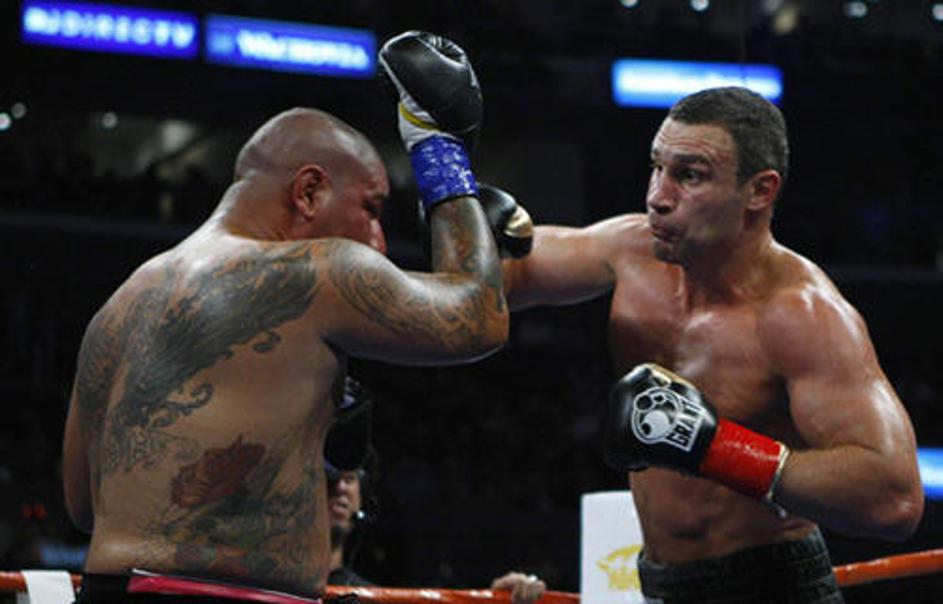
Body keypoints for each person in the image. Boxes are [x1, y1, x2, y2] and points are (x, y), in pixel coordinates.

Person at [62, 31, 509, 603]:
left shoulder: (121, 304)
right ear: (309, 191)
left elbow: (84, 505)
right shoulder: (318, 270)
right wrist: (438, 150)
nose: (378, 241)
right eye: (371, 209)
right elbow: (478, 315)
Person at [500, 86, 924, 603]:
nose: (658, 196)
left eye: (690, 175)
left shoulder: (802, 315)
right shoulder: (631, 250)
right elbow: (493, 280)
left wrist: (717, 448)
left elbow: (894, 498)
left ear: (759, 191)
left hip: (772, 587)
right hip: (662, 584)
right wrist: (449, 187)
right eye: (657, 167)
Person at [325, 379, 547, 604]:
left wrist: (497, 600)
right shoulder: (303, 585)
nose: (341, 487)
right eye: (329, 478)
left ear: (361, 498)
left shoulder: (374, 598)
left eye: (349, 478)